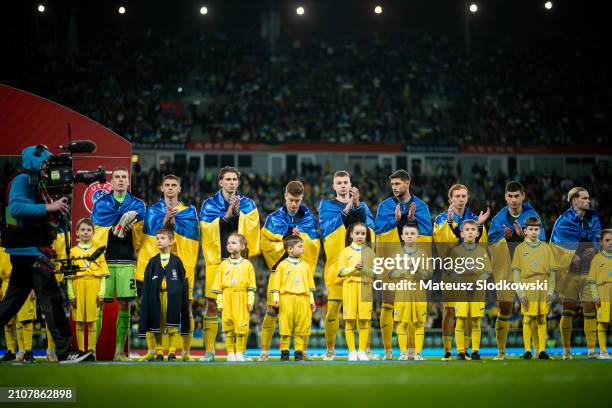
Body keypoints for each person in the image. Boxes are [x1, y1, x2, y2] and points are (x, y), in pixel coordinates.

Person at [0, 145, 91, 363]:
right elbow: (15, 209)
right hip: (30, 252)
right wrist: (49, 208)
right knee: (52, 300)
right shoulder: (22, 181)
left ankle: (64, 350)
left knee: (10, 304)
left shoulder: (35, 182)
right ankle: (65, 351)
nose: (48, 167)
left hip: (27, 251)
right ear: (35, 162)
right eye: (45, 162)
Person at [199, 167, 260, 362]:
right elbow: (207, 231)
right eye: (228, 179)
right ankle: (209, 351)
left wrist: (239, 213)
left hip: (239, 262)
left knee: (241, 307)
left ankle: (239, 352)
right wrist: (227, 213)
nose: (232, 183)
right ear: (220, 182)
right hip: (217, 261)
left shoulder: (248, 204)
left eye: (235, 179)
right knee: (211, 304)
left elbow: (252, 229)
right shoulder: (209, 204)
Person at [136, 174, 199, 362]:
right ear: (161, 188)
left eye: (174, 185)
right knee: (151, 307)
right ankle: (153, 351)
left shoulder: (189, 212)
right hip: (156, 266)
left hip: (180, 267)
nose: (170, 188)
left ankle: (185, 352)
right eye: (167, 185)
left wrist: (175, 228)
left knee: (185, 309)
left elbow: (192, 243)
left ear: (179, 189)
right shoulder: (152, 210)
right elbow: (148, 240)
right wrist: (164, 223)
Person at [259, 180, 320, 361]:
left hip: (300, 273)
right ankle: (264, 351)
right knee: (271, 310)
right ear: (285, 196)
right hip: (279, 271)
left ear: (302, 199)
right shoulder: (273, 218)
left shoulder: (309, 218)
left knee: (305, 312)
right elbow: (265, 244)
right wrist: (288, 236)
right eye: (291, 199)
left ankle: (304, 351)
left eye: (298, 200)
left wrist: (302, 240)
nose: (294, 204)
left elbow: (314, 245)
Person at [374, 170, 432, 360]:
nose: (395, 188)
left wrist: (410, 220)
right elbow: (380, 231)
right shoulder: (385, 206)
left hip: (414, 266)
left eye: (398, 184)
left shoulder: (421, 206)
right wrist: (397, 221)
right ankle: (389, 351)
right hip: (392, 261)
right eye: (392, 185)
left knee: (415, 312)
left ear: (407, 183)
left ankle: (414, 351)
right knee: (388, 305)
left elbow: (424, 232)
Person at [319, 170, 375, 361]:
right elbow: (326, 229)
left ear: (350, 184)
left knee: (364, 312)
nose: (343, 185)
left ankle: (365, 350)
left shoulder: (362, 206)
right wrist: (347, 209)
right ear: (334, 186)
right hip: (338, 266)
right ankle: (330, 350)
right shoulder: (326, 205)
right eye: (339, 182)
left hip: (360, 268)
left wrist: (357, 205)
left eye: (346, 182)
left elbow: (370, 229)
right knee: (333, 309)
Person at [92, 166, 145, 361]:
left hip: (126, 260)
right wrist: (114, 228)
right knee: (99, 305)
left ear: (128, 182)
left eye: (124, 177)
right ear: (111, 182)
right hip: (104, 262)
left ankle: (119, 352)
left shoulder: (138, 205)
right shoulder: (101, 204)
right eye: (117, 177)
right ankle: (92, 351)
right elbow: (95, 230)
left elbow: (142, 233)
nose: (121, 180)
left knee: (124, 304)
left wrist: (130, 228)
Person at [488, 181, 545, 360]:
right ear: (505, 197)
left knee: (532, 311)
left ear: (523, 196)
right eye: (510, 196)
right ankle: (501, 352)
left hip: (528, 270)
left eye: (516, 196)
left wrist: (521, 238)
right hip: (505, 268)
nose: (513, 200)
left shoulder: (532, 216)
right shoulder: (498, 219)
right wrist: (507, 241)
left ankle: (538, 351)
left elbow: (541, 243)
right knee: (505, 309)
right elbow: (491, 245)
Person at [433, 184, 489, 360]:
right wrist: (449, 224)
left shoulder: (474, 219)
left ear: (467, 197)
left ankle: (464, 350)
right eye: (456, 196)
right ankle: (448, 350)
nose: (460, 199)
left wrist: (479, 228)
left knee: (468, 314)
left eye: (463, 196)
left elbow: (481, 246)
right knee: (450, 311)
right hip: (451, 272)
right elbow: (440, 244)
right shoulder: (442, 219)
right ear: (450, 199)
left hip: (471, 272)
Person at [550, 187, 601, 359]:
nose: (588, 201)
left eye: (589, 198)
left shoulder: (593, 216)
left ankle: (592, 350)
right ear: (574, 201)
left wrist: (595, 248)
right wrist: (571, 257)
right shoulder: (563, 221)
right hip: (570, 272)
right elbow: (555, 245)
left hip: (588, 269)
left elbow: (597, 237)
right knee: (568, 310)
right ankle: (566, 350)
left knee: (590, 308)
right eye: (585, 198)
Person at [138, 228, 190, 362]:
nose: (159, 241)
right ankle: (159, 352)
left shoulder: (177, 261)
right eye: (157, 238)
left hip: (172, 298)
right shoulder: (152, 261)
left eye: (162, 238)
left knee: (172, 325)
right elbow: (147, 283)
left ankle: (172, 352)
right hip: (156, 297)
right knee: (157, 324)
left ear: (171, 241)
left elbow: (183, 281)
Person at [512, 217, 556, 360]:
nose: (533, 232)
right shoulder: (519, 249)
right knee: (527, 318)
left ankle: (542, 351)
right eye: (530, 229)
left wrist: (550, 291)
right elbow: (516, 273)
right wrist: (520, 292)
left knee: (542, 318)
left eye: (536, 229)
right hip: (527, 285)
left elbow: (552, 273)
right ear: (525, 231)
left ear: (540, 230)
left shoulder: (546, 248)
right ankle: (527, 351)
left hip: (543, 285)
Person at [268, 235, 316, 362]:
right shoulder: (282, 266)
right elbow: (276, 285)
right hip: (286, 299)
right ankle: (284, 353)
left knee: (301, 327)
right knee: (285, 327)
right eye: (300, 247)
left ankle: (299, 353)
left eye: (303, 247)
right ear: (290, 249)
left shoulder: (306, 266)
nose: (303, 249)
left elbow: (309, 286)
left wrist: (312, 301)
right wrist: (276, 298)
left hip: (303, 299)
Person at [449, 220, 492, 361]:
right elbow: (452, 272)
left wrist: (475, 283)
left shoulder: (481, 251)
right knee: (460, 320)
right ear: (461, 233)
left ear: (477, 233)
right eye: (466, 229)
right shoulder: (456, 251)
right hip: (461, 289)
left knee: (476, 321)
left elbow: (487, 272)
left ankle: (475, 351)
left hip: (478, 289)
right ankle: (461, 352)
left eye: (473, 229)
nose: (470, 232)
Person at [66, 218, 109, 358]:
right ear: (77, 232)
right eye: (82, 230)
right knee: (79, 322)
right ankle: (81, 352)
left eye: (88, 230)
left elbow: (103, 276)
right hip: (78, 287)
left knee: (92, 322)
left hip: (94, 288)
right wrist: (71, 294)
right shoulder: (71, 252)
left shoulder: (99, 252)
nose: (85, 232)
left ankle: (91, 352)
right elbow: (68, 277)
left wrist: (101, 294)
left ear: (93, 232)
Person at [212, 233, 256, 362]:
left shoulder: (247, 265)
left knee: (242, 327)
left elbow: (251, 287)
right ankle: (230, 353)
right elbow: (219, 288)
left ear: (242, 246)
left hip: (241, 297)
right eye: (228, 243)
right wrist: (220, 303)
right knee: (228, 327)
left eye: (234, 243)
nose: (230, 245)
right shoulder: (223, 265)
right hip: (227, 297)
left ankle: (241, 353)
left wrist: (250, 301)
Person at [391, 223, 431, 361]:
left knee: (419, 322)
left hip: (418, 288)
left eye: (412, 233)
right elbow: (391, 274)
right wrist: (404, 270)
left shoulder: (423, 254)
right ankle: (403, 353)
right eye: (406, 233)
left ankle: (418, 353)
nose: (409, 236)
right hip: (402, 289)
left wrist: (418, 270)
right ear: (402, 236)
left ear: (417, 236)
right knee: (402, 323)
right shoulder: (397, 254)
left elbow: (428, 274)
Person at [337, 222, 375, 361]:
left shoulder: (370, 252)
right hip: (350, 288)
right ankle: (352, 352)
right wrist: (354, 268)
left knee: (364, 321)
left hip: (365, 287)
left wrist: (364, 269)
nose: (360, 236)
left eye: (363, 233)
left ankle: (362, 351)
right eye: (357, 233)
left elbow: (375, 273)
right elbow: (340, 272)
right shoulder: (345, 252)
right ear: (351, 234)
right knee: (350, 320)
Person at [587, 229, 612, 359]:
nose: (610, 243)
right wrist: (595, 295)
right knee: (602, 323)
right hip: (603, 294)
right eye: (607, 240)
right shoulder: (597, 259)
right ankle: (603, 351)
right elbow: (591, 280)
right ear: (601, 242)